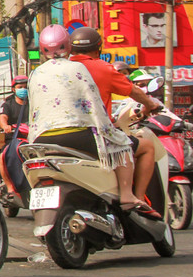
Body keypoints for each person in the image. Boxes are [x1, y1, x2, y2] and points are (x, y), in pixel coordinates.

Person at [27, 25, 149, 212]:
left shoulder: (35, 73)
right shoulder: (78, 68)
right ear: (68, 45)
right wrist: (108, 128)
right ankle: (127, 195)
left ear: (42, 49)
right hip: (78, 135)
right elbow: (93, 102)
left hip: (41, 138)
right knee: (123, 145)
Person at [69, 26, 162, 214]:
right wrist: (150, 104)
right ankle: (135, 198)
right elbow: (134, 91)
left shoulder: (61, 68)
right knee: (145, 147)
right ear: (98, 48)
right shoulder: (102, 68)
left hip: (56, 133)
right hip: (93, 135)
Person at [0, 75, 30, 194]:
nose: (23, 89)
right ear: (14, 89)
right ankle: (10, 187)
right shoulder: (8, 105)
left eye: (25, 87)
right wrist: (5, 126)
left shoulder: (33, 103)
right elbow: (3, 118)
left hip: (31, 139)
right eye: (20, 87)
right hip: (13, 140)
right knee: (3, 157)